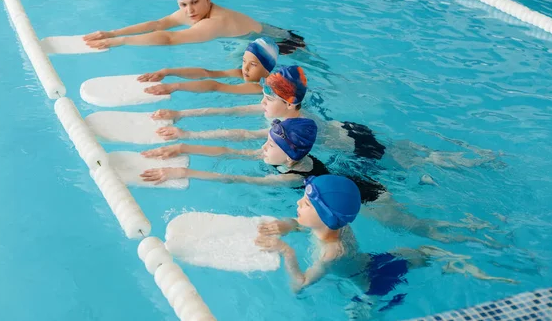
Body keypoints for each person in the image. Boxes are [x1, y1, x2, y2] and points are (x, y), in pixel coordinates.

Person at [140, 119, 497, 246]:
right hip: (346, 184)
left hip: (365, 198)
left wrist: (181, 172)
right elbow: (224, 150)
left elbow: (231, 175)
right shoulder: (283, 157)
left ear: (290, 155)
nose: (262, 148)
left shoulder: (289, 178)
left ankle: (474, 232)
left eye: (269, 145)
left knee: (419, 228)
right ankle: (446, 173)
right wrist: (183, 142)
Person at [254, 175, 515, 316]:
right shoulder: (338, 225)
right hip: (376, 261)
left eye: (306, 204)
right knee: (426, 254)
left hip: (369, 287)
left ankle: (485, 271)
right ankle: (474, 244)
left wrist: (286, 251)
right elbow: (309, 224)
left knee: (356, 318)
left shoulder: (330, 254)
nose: (298, 204)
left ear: (326, 216)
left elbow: (299, 286)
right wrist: (288, 224)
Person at [151, 65, 387, 160]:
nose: (262, 102)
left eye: (269, 98)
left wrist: (189, 137)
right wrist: (181, 114)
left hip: (357, 147)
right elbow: (232, 109)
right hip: (346, 128)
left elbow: (243, 134)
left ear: (290, 104)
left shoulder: (290, 125)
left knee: (400, 161)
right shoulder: (283, 109)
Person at [83, 0, 306, 53]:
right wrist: (111, 33)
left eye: (196, 2)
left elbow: (170, 39)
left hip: (285, 44)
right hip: (256, 39)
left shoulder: (214, 22)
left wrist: (121, 41)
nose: (189, 10)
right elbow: (159, 24)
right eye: (183, 5)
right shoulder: (193, 13)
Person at [135, 37, 278, 95]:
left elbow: (215, 85)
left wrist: (175, 86)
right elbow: (207, 73)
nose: (245, 68)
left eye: (253, 64)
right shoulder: (240, 73)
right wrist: (166, 71)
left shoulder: (259, 88)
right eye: (244, 61)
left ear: (267, 71)